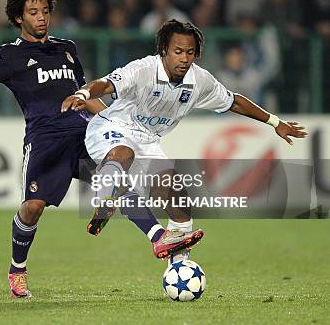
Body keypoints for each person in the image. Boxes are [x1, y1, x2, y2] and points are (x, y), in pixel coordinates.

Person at [0, 0, 201, 299]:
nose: (42, 18)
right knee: (32, 208)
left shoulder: (67, 48)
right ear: (18, 18)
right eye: (33, 12)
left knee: (117, 182)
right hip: (45, 139)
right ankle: (17, 269)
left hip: (83, 133)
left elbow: (84, 94)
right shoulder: (9, 55)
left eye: (46, 12)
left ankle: (158, 237)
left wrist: (110, 121)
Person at [61, 19, 307, 264]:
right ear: (164, 51)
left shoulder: (200, 81)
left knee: (179, 203)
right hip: (111, 127)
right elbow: (106, 84)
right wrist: (83, 93)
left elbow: (234, 101)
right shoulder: (143, 69)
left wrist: (275, 122)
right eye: (178, 51)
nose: (184, 58)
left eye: (190, 52)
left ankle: (179, 266)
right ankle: (106, 197)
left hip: (148, 141)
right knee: (123, 153)